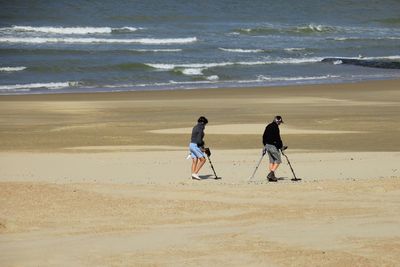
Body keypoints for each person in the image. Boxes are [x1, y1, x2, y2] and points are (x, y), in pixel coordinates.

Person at [262, 115, 284, 182]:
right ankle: (271, 174)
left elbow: (264, 136)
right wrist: (280, 146)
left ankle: (271, 176)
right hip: (273, 146)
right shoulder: (275, 127)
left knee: (271, 161)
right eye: (280, 122)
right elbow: (277, 138)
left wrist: (265, 145)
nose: (280, 124)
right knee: (278, 160)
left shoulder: (268, 126)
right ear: (278, 121)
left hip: (267, 145)